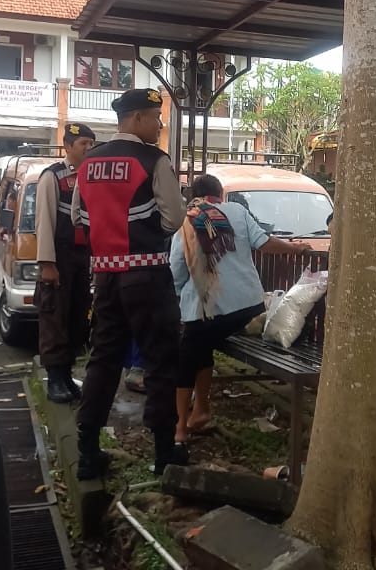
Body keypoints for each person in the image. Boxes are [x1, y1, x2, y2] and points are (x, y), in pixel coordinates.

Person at [71, 88, 188, 478]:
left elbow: (77, 217)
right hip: (148, 275)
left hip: (106, 277)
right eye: (156, 117)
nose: (160, 124)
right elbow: (174, 218)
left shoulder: (89, 161)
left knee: (103, 359)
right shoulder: (154, 160)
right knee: (160, 361)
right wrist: (146, 233)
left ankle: (87, 452)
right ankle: (163, 454)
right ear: (137, 118)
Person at [170, 174, 308, 444]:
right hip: (248, 307)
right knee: (201, 345)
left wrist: (176, 297)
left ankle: (180, 427)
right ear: (220, 195)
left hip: (209, 313)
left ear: (193, 196)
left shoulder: (187, 222)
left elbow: (176, 271)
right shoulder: (237, 211)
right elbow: (264, 242)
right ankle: (201, 411)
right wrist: (296, 248)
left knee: (188, 351)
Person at [36, 122, 97, 404]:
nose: (88, 148)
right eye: (83, 143)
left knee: (77, 315)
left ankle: (67, 375)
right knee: (55, 317)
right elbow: (44, 220)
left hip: (82, 258)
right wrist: (47, 263)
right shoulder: (53, 176)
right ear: (68, 146)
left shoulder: (92, 175)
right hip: (59, 257)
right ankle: (54, 379)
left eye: (91, 144)